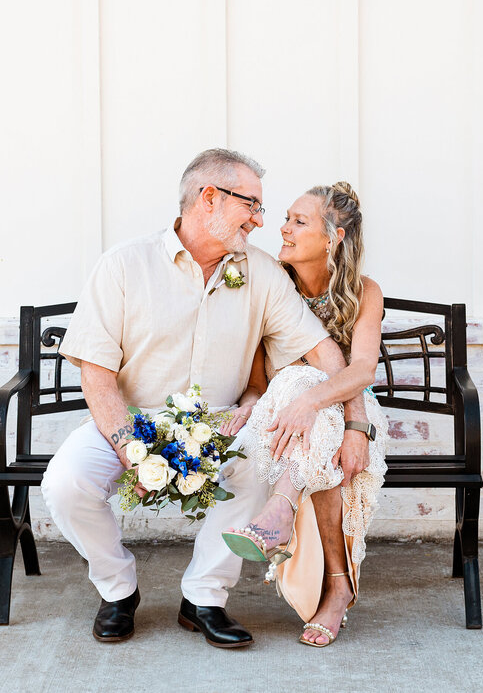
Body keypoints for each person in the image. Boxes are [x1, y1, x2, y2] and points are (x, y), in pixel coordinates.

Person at [43, 149, 355, 648]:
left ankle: (204, 598)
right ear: (209, 198)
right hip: (130, 421)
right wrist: (133, 450)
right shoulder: (124, 265)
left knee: (260, 465)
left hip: (223, 426)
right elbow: (97, 380)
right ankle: (118, 589)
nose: (259, 219)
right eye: (251, 204)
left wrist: (349, 418)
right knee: (64, 483)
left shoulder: (262, 272)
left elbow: (325, 353)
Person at [221, 181, 386, 647]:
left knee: (308, 391)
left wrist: (354, 427)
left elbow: (363, 370)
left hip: (343, 415)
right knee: (296, 384)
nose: (283, 228)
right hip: (281, 417)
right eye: (287, 218)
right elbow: (259, 379)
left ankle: (280, 508)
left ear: (333, 236)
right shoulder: (272, 281)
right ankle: (337, 587)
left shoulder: (363, 291)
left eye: (299, 221)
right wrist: (252, 401)